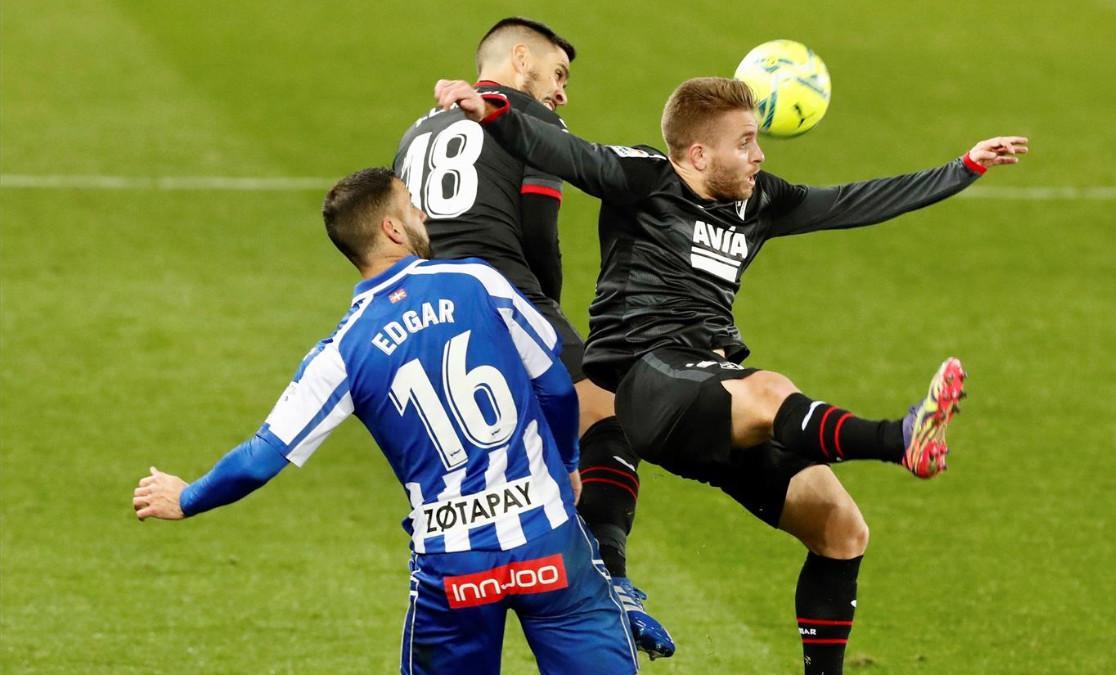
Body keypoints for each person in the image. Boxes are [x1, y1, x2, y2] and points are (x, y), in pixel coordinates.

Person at [434, 76, 1027, 673]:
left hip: (708, 399)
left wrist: (964, 167)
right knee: (770, 390)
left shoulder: (760, 201)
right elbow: (567, 152)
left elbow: (854, 201)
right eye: (745, 142)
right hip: (646, 381)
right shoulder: (643, 178)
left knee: (842, 529)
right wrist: (494, 112)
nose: (759, 155)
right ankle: (900, 439)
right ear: (698, 154)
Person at [131, 169, 639, 674]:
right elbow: (553, 385)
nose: (423, 215)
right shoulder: (477, 281)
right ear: (393, 230)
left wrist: (187, 497)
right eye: (413, 207)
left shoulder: (342, 351)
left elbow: (261, 457)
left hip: (454, 566)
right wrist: (569, 464)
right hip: (547, 538)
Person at [392, 17, 673, 657]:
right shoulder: (526, 121)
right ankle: (613, 581)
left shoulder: (415, 132)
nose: (562, 93)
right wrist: (545, 307)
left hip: (428, 322)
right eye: (558, 74)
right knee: (608, 416)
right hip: (507, 297)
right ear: (521, 60)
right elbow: (540, 231)